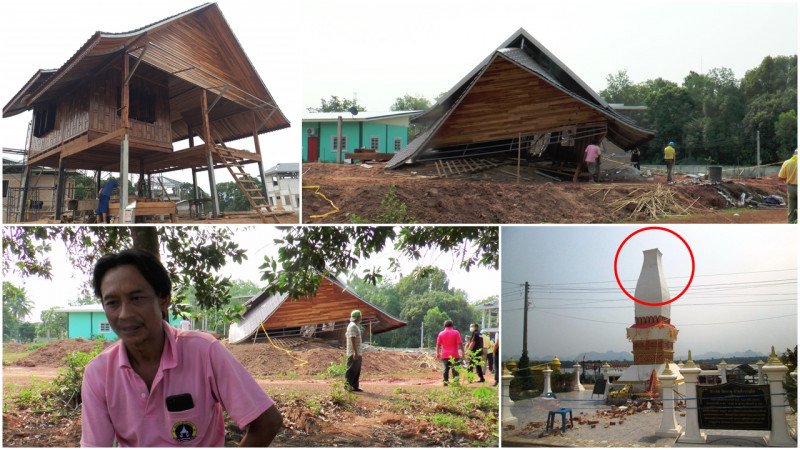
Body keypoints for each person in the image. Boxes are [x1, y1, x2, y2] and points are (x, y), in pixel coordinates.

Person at [81, 249, 282, 447]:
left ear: (164, 299)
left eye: (136, 298)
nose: (124, 314)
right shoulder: (98, 373)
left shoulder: (204, 353)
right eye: (113, 303)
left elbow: (267, 422)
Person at [435, 320, 465, 386]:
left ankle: (445, 382)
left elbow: (438, 345)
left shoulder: (441, 333)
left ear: (444, 326)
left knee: (445, 369)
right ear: (452, 325)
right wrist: (463, 352)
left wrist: (438, 353)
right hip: (454, 354)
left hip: (445, 354)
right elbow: (460, 343)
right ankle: (456, 382)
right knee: (455, 369)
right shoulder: (456, 332)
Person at [345, 309, 364, 392]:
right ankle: (347, 386)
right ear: (358, 317)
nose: (361, 318)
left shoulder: (353, 325)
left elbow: (346, 335)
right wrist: (355, 352)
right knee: (351, 370)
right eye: (360, 316)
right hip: (354, 352)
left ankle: (355, 386)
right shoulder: (352, 326)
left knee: (356, 370)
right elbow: (352, 338)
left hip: (358, 351)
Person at [778, 148, 798, 223]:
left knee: (791, 210)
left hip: (791, 188)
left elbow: (780, 177)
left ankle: (791, 226)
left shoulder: (787, 162)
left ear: (794, 154)